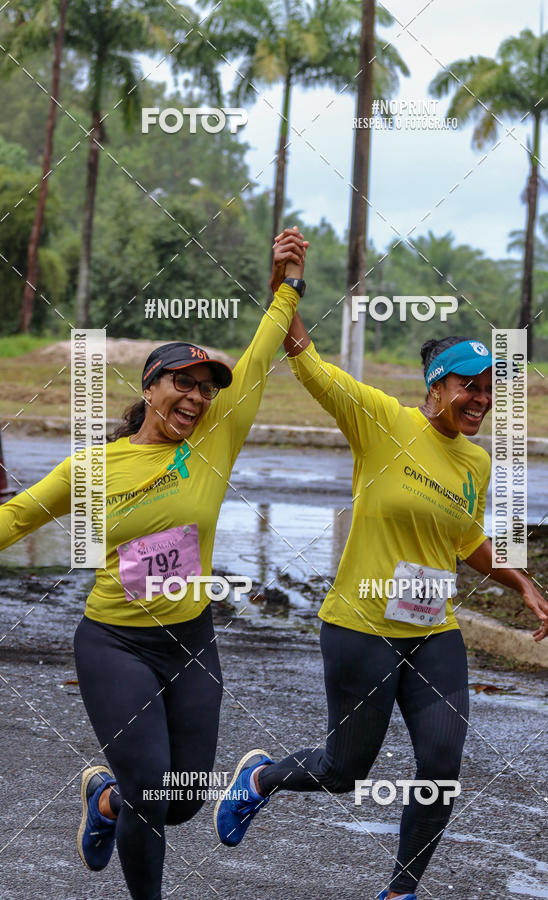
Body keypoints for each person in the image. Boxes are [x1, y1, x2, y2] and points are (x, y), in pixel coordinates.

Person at [214, 228, 548, 900]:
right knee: (345, 770)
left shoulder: (477, 463)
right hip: (361, 626)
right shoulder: (381, 421)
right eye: (470, 387)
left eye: (491, 390)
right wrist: (286, 280)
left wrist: (519, 580)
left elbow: (462, 540)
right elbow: (303, 356)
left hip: (433, 633)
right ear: (437, 385)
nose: (482, 400)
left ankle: (400, 893)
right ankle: (261, 778)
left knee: (440, 764)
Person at [0, 231, 307, 900]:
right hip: (115, 641)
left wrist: (286, 286)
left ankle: (104, 801)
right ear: (151, 385)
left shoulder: (213, 443)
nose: (196, 398)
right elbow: (17, 518)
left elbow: (257, 360)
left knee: (185, 797)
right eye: (182, 383)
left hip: (191, 641)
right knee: (150, 790)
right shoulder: (94, 468)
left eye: (205, 388)